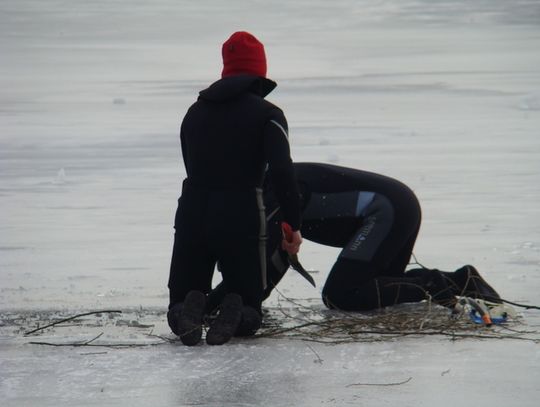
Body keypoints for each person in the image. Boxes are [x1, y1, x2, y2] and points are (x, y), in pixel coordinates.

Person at [208, 162, 501, 321]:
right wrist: (241, 303)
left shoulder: (270, 194)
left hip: (386, 210)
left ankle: (444, 283)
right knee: (379, 286)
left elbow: (260, 264)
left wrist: (220, 304)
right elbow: (277, 259)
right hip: (396, 205)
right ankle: (459, 281)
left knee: (341, 295)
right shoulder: (269, 186)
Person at [167, 31, 302, 346]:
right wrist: (292, 224)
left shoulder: (194, 112)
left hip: (192, 209)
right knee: (249, 305)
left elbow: (190, 160)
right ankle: (236, 311)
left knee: (180, 300)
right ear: (260, 70)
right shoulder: (269, 115)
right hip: (241, 212)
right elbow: (282, 171)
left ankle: (188, 309)